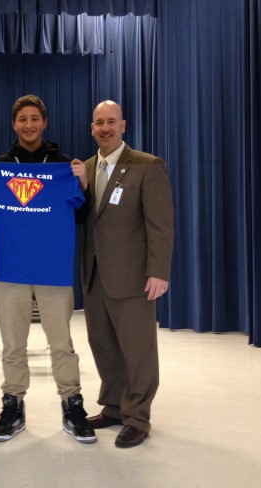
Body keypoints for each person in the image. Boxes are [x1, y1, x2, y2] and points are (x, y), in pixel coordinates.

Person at [0, 95, 96, 443]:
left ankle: (72, 403)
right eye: (22, 119)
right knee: (12, 345)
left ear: (45, 122)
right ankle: (13, 405)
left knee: (62, 343)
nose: (28, 125)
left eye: (35, 119)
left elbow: (81, 215)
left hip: (52, 268)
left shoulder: (62, 165)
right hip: (10, 269)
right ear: (14, 124)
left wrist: (82, 184)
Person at [74, 100, 174, 448]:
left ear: (123, 125)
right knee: (103, 346)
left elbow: (160, 225)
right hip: (94, 276)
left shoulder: (147, 165)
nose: (105, 128)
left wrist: (158, 271)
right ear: (92, 128)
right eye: (99, 122)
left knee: (137, 350)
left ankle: (137, 417)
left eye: (111, 122)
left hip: (133, 277)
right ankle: (114, 407)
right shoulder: (84, 169)